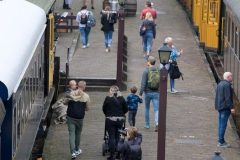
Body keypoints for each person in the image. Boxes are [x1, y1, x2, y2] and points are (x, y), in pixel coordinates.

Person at [64, 80, 90, 159]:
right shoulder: (86, 96)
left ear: (77, 86)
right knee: (78, 134)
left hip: (70, 117)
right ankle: (77, 149)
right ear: (84, 87)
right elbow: (88, 108)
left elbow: (65, 102)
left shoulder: (71, 94)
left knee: (71, 134)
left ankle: (73, 153)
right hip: (80, 118)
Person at [102, 85, 128, 160]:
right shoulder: (122, 98)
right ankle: (118, 153)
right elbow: (126, 109)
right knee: (118, 136)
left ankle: (112, 154)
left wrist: (108, 114)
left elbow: (104, 108)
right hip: (120, 120)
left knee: (111, 136)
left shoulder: (108, 98)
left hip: (110, 119)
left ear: (111, 91)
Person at [139, 56, 159, 132]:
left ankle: (147, 124)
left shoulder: (146, 71)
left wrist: (140, 94)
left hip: (147, 93)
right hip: (156, 93)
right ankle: (157, 123)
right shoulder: (158, 70)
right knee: (156, 109)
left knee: (147, 108)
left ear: (149, 62)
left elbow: (143, 84)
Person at [215, 72, 235, 148]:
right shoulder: (227, 85)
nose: (232, 77)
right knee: (223, 125)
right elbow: (228, 98)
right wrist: (232, 107)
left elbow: (217, 96)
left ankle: (220, 140)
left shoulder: (220, 84)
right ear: (228, 77)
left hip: (220, 107)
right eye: (231, 76)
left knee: (221, 124)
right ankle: (221, 142)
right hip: (225, 108)